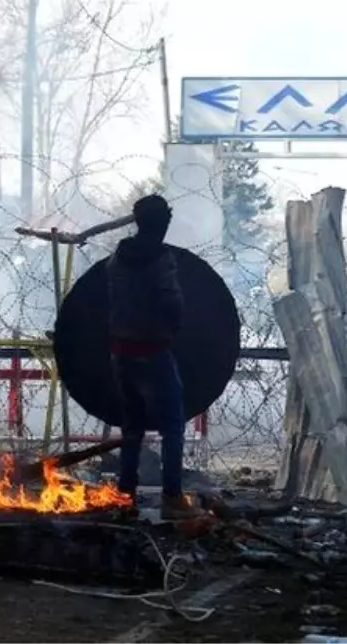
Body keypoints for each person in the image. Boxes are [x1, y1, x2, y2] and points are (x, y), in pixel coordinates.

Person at [107, 194, 203, 520]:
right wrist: (171, 329)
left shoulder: (118, 257)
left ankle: (125, 496)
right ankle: (172, 498)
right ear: (163, 223)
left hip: (121, 353)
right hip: (153, 351)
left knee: (132, 428)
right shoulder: (160, 259)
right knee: (173, 427)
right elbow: (172, 302)